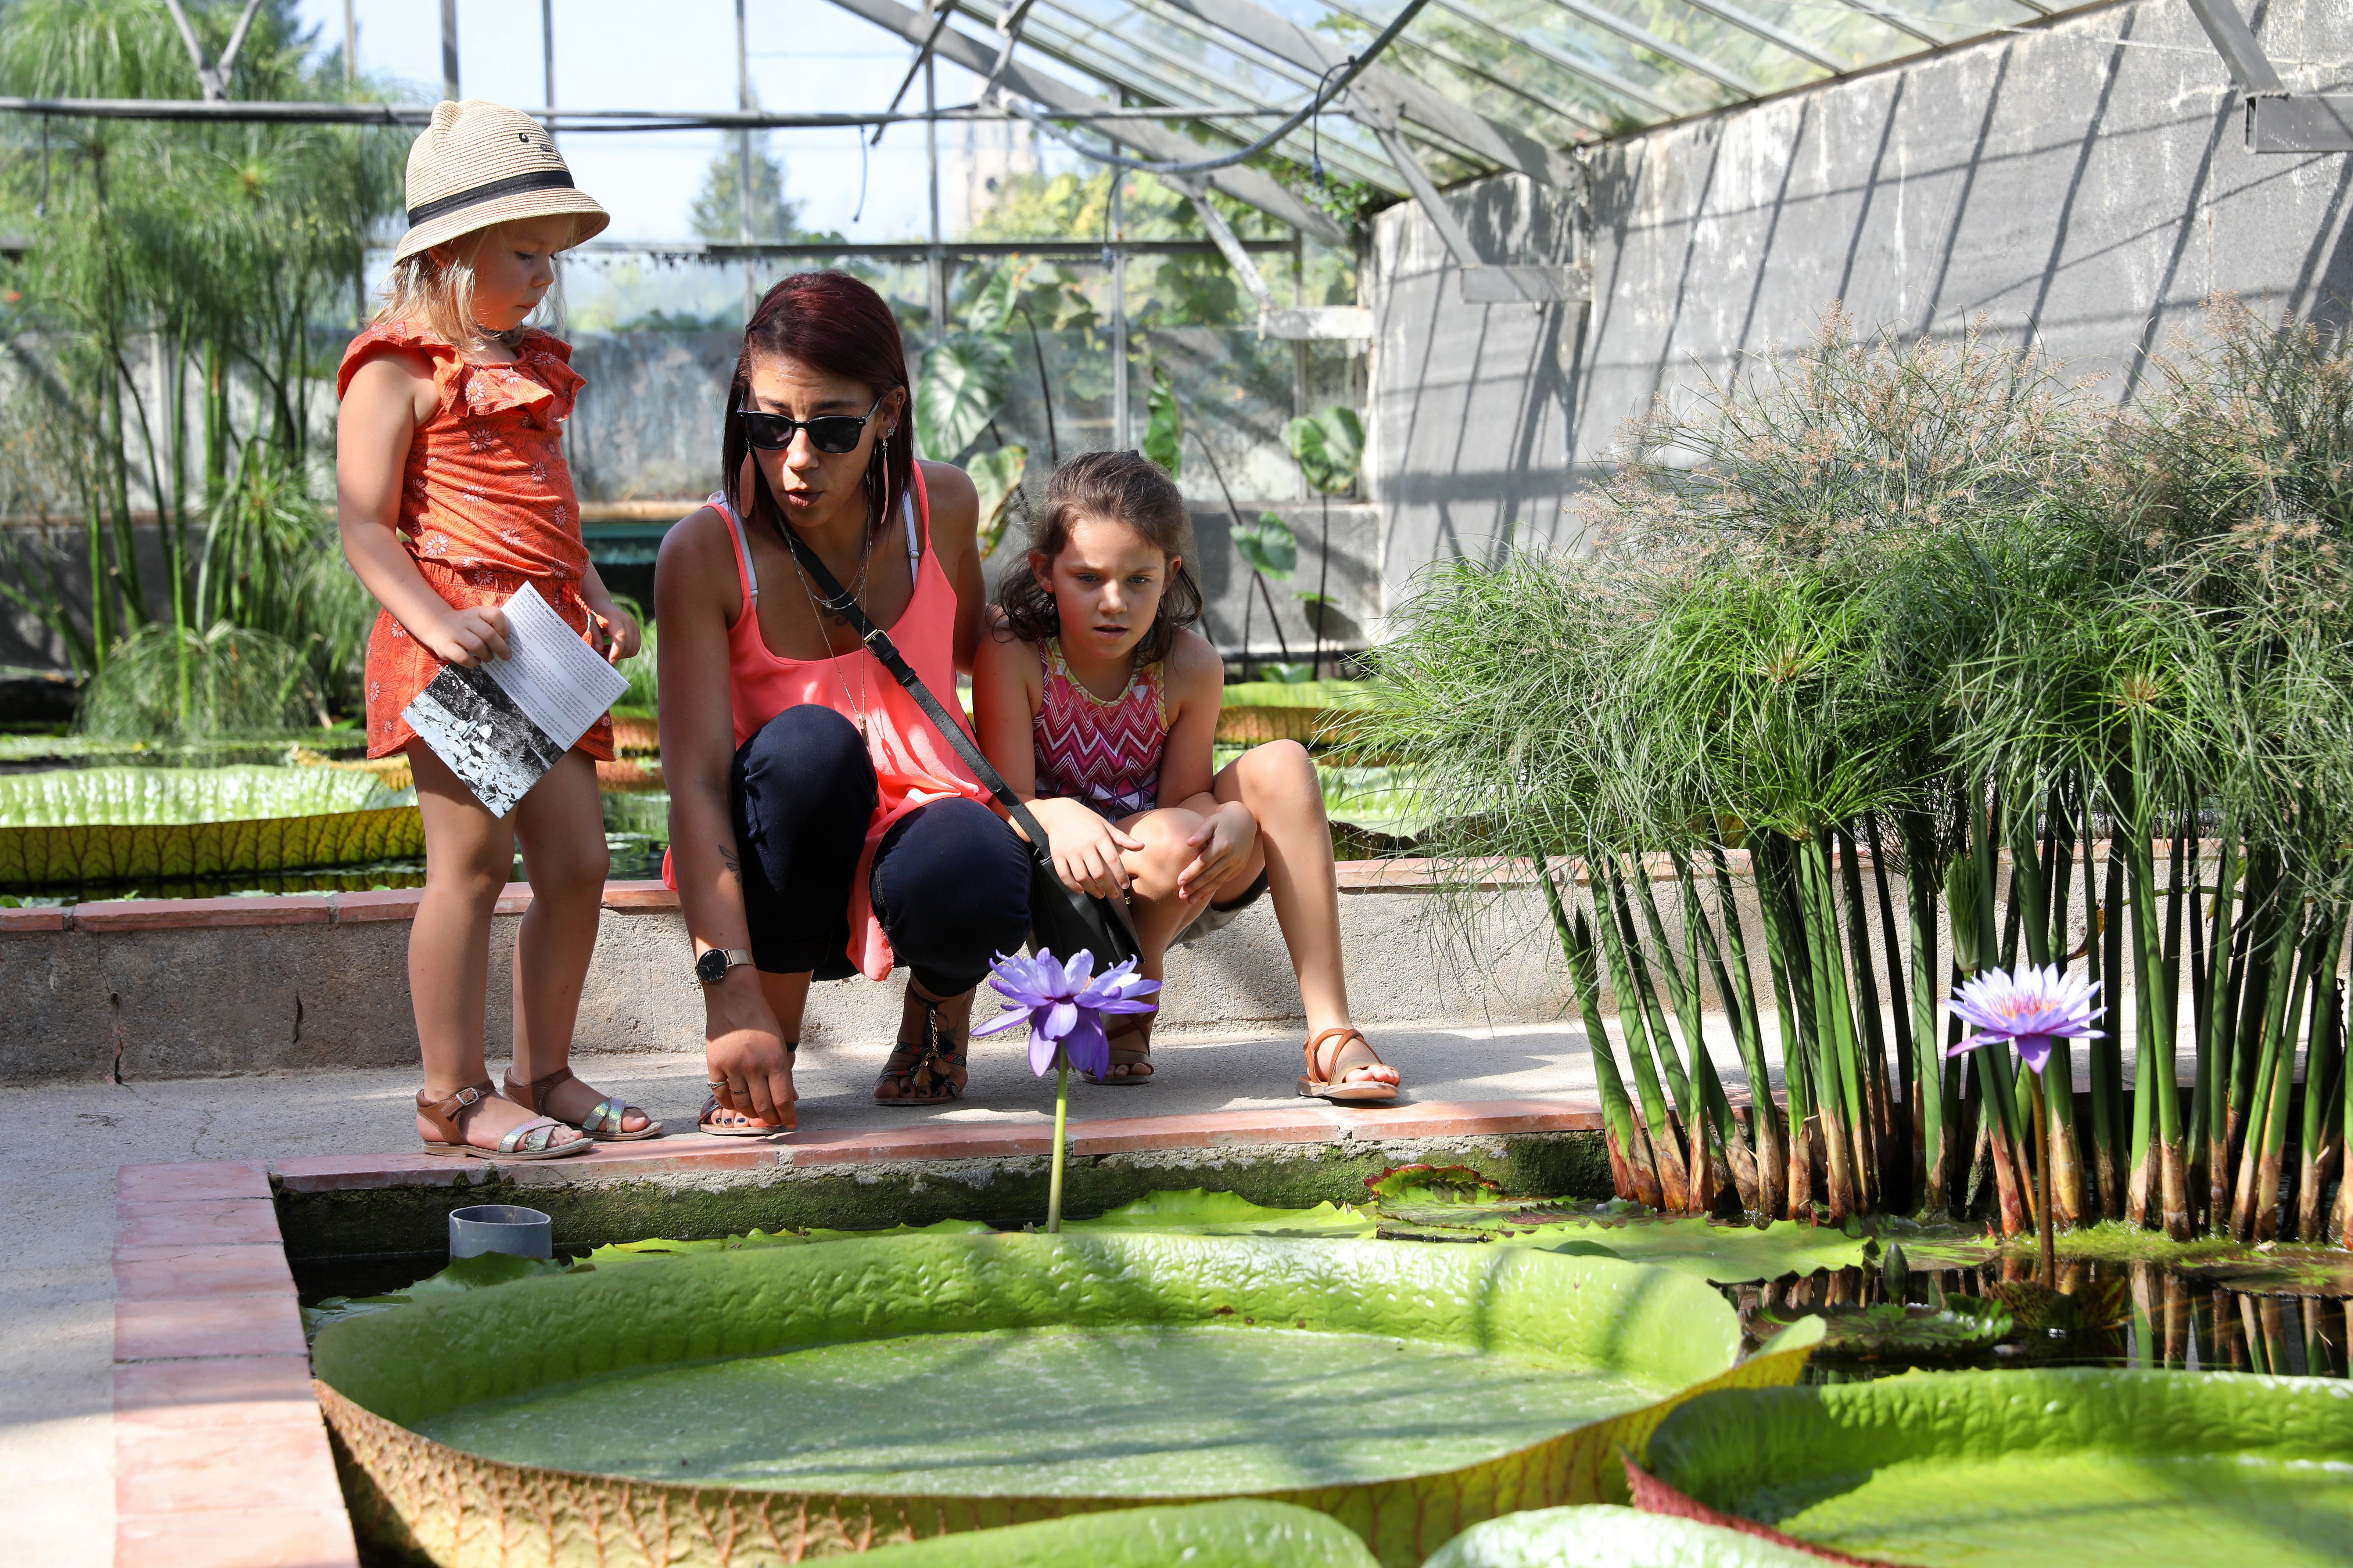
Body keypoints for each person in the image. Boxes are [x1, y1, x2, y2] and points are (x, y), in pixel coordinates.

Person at [338, 101, 657, 1159]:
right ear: (448, 253)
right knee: (468, 871)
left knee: (574, 865)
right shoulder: (396, 371)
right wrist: (434, 622)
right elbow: (365, 528)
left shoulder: (533, 370)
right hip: (461, 652)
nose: (543, 275)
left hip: (543, 646)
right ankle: (451, 1096)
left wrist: (601, 599)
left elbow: (549, 516)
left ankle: (542, 1071)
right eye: (524, 253)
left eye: (550, 256)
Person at [657, 272, 1030, 1133]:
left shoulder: (942, 507)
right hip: (782, 850)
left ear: (888, 415)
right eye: (767, 425)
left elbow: (992, 645)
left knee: (973, 859)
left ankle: (936, 1010)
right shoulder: (705, 554)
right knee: (811, 753)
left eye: (830, 429)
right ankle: (768, 1043)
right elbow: (699, 784)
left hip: (921, 827)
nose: (796, 459)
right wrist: (728, 982)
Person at [971, 451, 1401, 1101]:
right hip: (1063, 887)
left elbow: (1183, 800)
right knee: (1171, 839)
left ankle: (1330, 1035)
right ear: (1045, 572)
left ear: (1169, 575)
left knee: (1283, 763)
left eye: (1138, 581)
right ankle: (1131, 997)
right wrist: (1060, 814)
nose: (1113, 603)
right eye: (1088, 578)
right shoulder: (1015, 651)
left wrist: (1230, 817)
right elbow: (1007, 799)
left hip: (1172, 880)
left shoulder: (1190, 663)